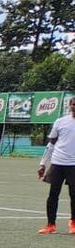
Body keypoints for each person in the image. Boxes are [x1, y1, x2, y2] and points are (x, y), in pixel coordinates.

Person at [37, 95, 75, 235]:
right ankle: (50, 224)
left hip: (73, 164)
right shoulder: (60, 122)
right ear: (69, 106)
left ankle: (73, 222)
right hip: (58, 162)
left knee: (74, 195)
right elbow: (51, 144)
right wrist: (43, 163)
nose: (74, 107)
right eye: (73, 104)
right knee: (53, 194)